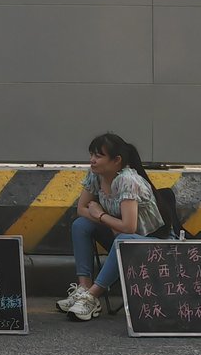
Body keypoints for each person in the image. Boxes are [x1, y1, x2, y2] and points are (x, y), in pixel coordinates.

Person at [59, 132, 169, 322]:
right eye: (91, 154)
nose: (92, 160)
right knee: (80, 225)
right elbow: (82, 209)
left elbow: (128, 227)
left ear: (116, 160)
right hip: (121, 236)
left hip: (152, 243)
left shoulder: (127, 180)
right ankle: (83, 289)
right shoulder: (96, 175)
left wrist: (101, 215)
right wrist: (106, 220)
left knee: (121, 240)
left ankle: (92, 297)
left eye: (98, 156)